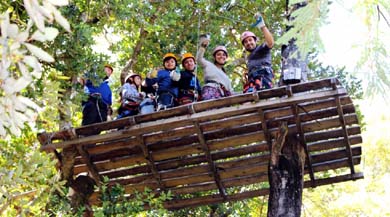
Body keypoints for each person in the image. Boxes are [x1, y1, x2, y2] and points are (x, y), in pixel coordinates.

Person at [240, 12, 275, 93]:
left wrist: (262, 26)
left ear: (255, 40)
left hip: (263, 80)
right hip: (252, 83)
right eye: (245, 42)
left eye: (250, 40)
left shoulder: (262, 48)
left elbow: (270, 43)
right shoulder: (249, 58)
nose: (248, 43)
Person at [197, 36, 233, 100]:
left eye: (223, 55)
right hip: (210, 90)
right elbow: (199, 59)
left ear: (226, 58)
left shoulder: (226, 77)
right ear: (214, 57)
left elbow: (231, 92)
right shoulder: (208, 65)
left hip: (222, 96)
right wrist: (203, 47)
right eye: (218, 54)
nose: (221, 56)